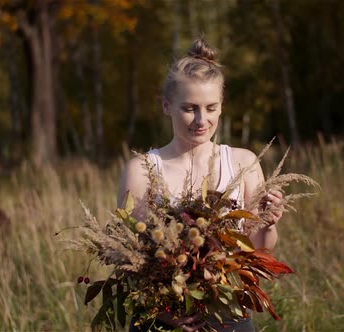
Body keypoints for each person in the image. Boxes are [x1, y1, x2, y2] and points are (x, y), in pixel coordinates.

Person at [117, 38, 283, 332]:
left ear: (221, 107)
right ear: (167, 106)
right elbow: (129, 259)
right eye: (189, 108)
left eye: (210, 108)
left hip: (228, 317)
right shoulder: (141, 170)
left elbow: (258, 249)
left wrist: (268, 224)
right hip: (160, 319)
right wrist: (164, 312)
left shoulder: (244, 164)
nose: (201, 120)